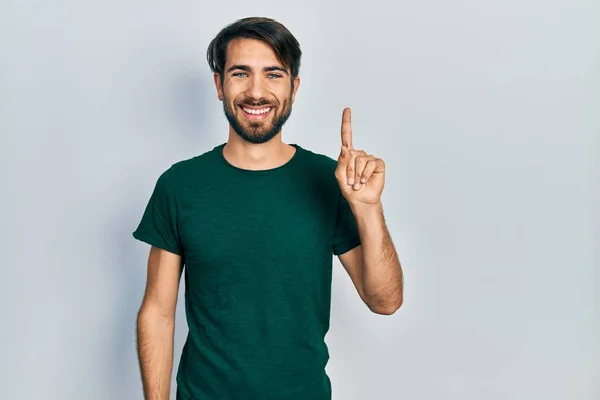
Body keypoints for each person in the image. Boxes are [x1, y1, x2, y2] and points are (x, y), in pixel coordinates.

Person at [132, 16, 404, 400]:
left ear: (294, 87)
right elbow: (158, 313)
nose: (256, 92)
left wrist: (368, 209)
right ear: (219, 84)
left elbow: (385, 301)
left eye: (273, 75)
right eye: (240, 73)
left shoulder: (329, 180)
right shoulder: (180, 186)